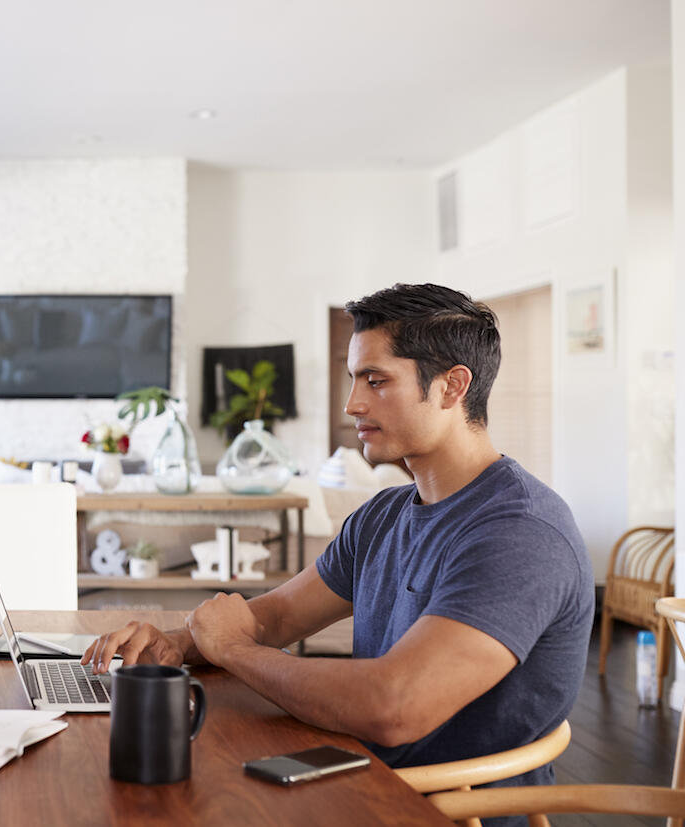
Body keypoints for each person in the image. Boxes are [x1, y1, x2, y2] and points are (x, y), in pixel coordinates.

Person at [84, 283, 593, 801]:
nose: (353, 404)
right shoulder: (382, 515)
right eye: (353, 380)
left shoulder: (520, 533)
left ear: (451, 387)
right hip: (358, 774)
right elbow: (277, 617)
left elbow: (393, 708)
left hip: (438, 807)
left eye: (376, 381)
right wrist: (178, 641)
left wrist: (233, 649)